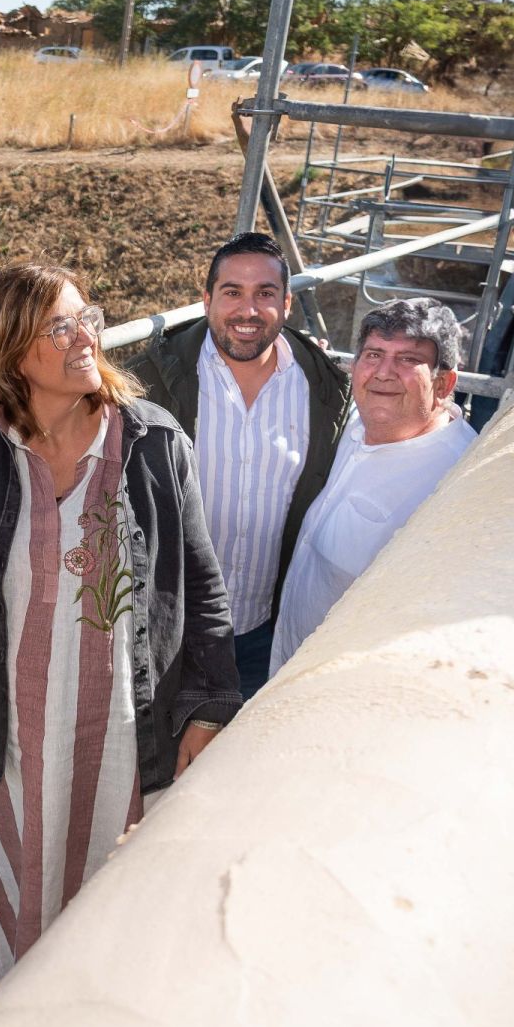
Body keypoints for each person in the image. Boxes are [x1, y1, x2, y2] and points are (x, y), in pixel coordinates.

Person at [0, 263, 239, 982]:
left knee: (109, 925)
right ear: (9, 350)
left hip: (119, 737)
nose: (86, 336)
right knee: (14, 918)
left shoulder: (151, 443)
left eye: (89, 317)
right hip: (4, 739)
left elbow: (202, 582)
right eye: (61, 326)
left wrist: (209, 708)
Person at [132, 233, 351, 698]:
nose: (248, 311)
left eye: (265, 294)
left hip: (263, 633)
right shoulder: (151, 381)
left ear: (287, 303)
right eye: (232, 292)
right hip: (164, 629)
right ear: (207, 299)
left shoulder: (324, 390)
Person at [269, 297, 478, 675]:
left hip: (343, 681)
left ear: (444, 382)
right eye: (373, 354)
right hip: (286, 659)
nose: (383, 372)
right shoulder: (358, 423)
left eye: (408, 360)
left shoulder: (455, 480)